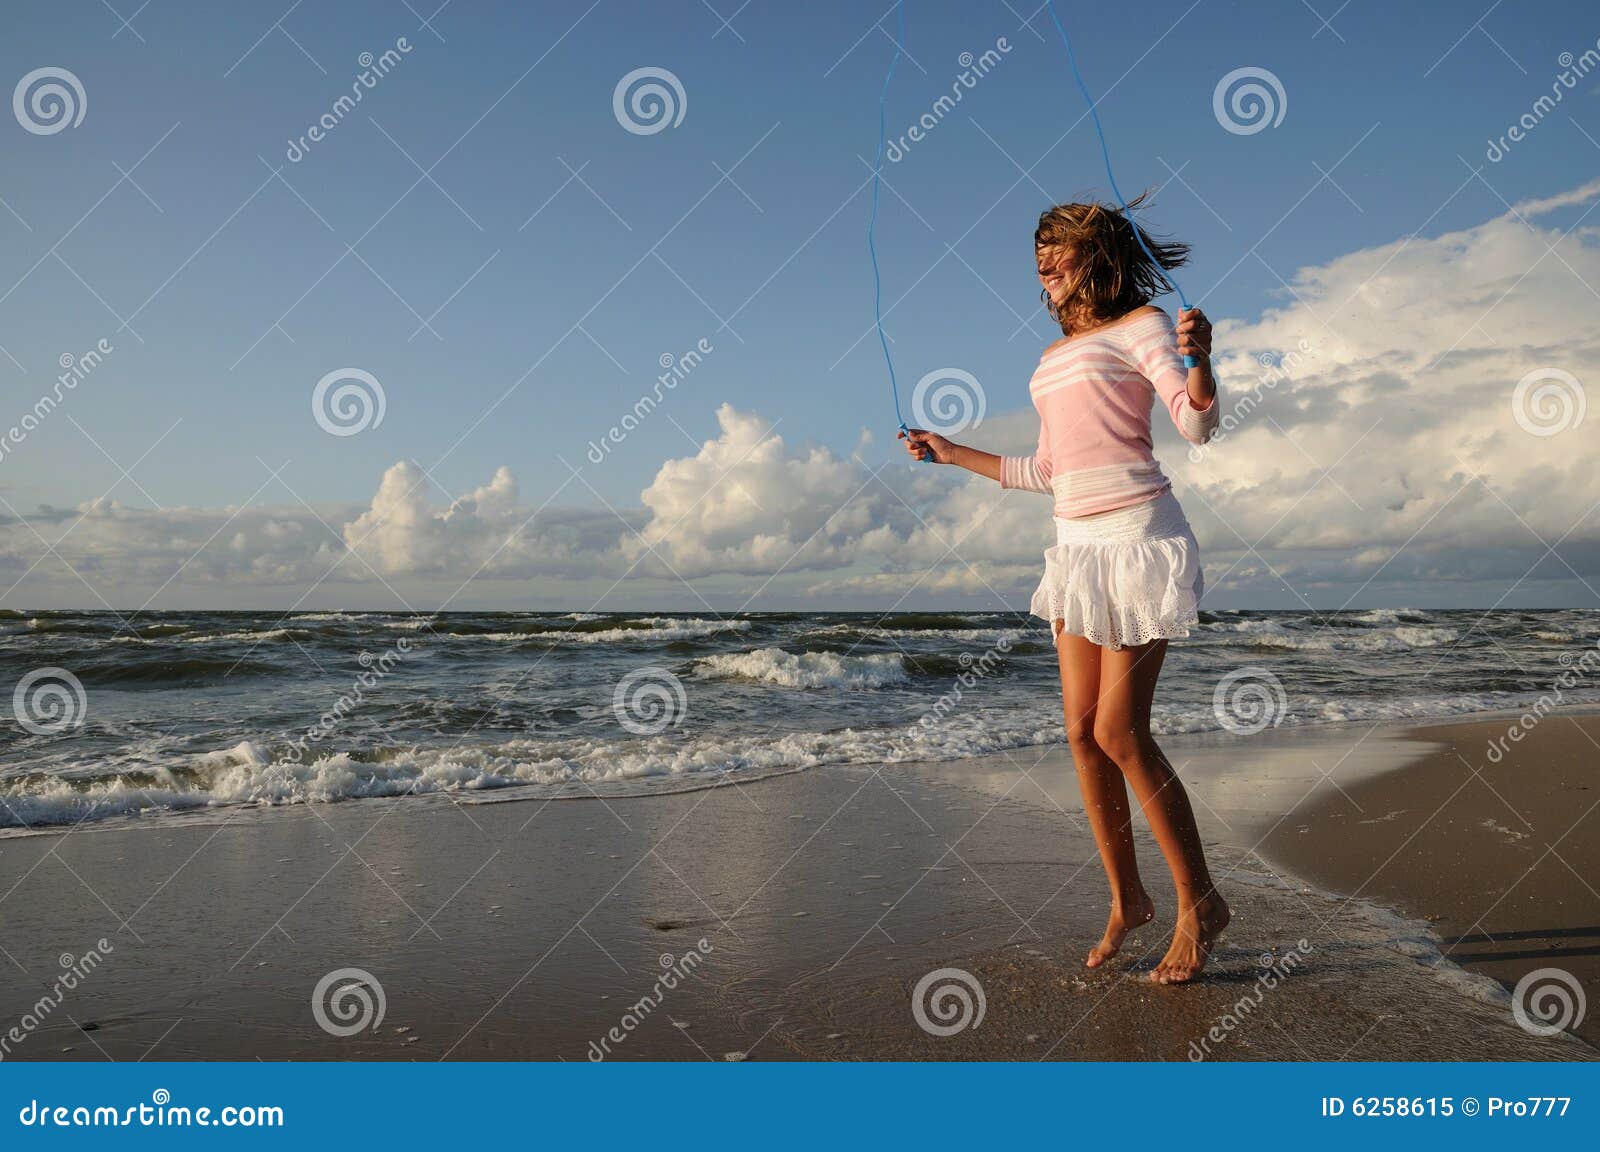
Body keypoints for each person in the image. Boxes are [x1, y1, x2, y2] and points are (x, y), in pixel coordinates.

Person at [900, 199, 1228, 983]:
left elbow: (1195, 425)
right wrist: (952, 454)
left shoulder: (1144, 325)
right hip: (1075, 549)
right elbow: (1044, 472)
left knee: (1120, 731)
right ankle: (1129, 900)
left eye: (1062, 247)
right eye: (1039, 247)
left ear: (1101, 255)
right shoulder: (1051, 360)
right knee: (1081, 735)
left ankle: (1202, 902)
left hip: (1139, 538)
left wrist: (1202, 361)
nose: (1045, 260)